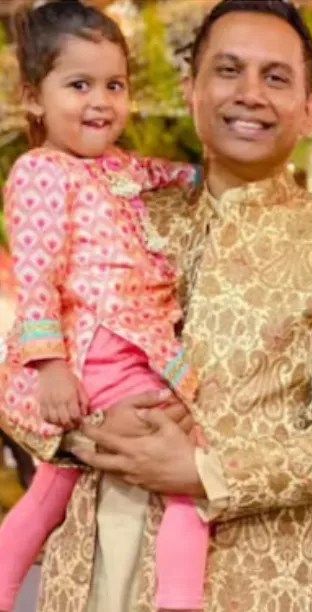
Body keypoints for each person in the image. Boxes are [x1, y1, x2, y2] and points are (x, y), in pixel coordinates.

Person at [1, 1, 312, 611]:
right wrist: (89, 430)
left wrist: (204, 472)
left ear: (309, 108)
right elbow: (17, 376)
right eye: (228, 70)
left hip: (251, 585)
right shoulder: (119, 208)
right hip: (91, 573)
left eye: (275, 77)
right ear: (190, 89)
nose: (250, 94)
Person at [0, 3, 209, 611]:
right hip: (97, 352)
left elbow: (163, 175)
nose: (101, 102)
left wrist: (207, 175)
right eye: (79, 85)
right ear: (33, 98)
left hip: (131, 345)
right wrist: (50, 366)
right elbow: (36, 273)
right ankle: (180, 602)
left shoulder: (117, 166)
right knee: (190, 473)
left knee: (50, 490)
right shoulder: (41, 171)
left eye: (114, 85)